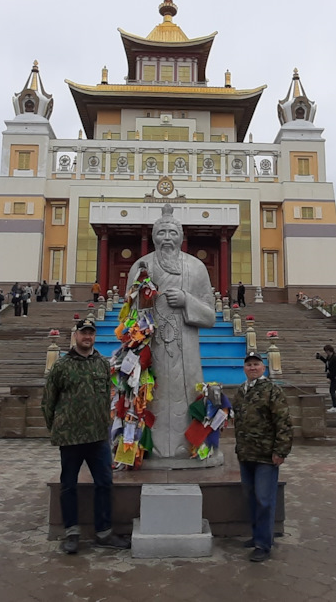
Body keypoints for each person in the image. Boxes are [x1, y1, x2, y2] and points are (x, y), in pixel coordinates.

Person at [126, 203, 216, 460]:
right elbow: (128, 311)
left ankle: (191, 445)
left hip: (185, 346)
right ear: (154, 236)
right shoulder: (141, 266)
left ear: (181, 236)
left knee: (188, 393)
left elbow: (210, 315)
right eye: (162, 233)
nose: (167, 238)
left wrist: (187, 300)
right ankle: (145, 446)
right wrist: (145, 303)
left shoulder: (196, 267)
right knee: (150, 393)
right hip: (151, 345)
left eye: (172, 233)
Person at [41, 317, 131, 554]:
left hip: (97, 437)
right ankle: (71, 533)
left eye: (91, 333)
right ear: (76, 336)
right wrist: (57, 428)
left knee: (104, 483)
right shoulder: (62, 366)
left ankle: (104, 532)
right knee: (68, 485)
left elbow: (107, 395)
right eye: (84, 333)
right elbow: (48, 401)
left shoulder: (102, 364)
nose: (87, 337)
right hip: (70, 437)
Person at [233, 351, 292, 563]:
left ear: (263, 368)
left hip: (266, 456)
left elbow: (283, 422)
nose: (252, 368)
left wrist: (281, 451)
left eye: (256, 364)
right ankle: (258, 535)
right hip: (246, 453)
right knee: (251, 497)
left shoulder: (272, 390)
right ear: (244, 368)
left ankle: (263, 545)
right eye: (249, 365)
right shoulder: (242, 391)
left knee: (264, 499)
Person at [316, 344, 336, 412]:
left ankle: (335, 406)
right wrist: (320, 357)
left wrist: (330, 377)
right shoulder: (329, 357)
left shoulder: (335, 358)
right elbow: (327, 363)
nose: (326, 352)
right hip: (334, 377)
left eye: (326, 351)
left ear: (329, 350)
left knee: (332, 391)